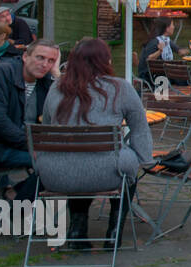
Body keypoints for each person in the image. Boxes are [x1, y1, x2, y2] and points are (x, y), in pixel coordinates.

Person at [38, 38, 151, 249]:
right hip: (106, 172)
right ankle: (114, 231)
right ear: (105, 60)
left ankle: (77, 230)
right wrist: (142, 159)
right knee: (127, 167)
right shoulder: (120, 88)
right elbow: (140, 128)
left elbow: (46, 125)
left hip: (55, 174)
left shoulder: (56, 88)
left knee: (79, 160)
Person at [0, 40, 59, 194]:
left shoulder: (45, 81)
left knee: (66, 160)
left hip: (25, 145)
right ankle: (17, 202)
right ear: (25, 57)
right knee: (53, 164)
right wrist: (31, 145)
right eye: (40, 58)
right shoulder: (3, 72)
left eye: (51, 61)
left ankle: (15, 194)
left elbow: (62, 112)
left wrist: (56, 74)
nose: (45, 65)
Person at [137, 17, 176, 87]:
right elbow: (149, 59)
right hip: (150, 77)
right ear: (167, 28)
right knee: (181, 78)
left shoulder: (165, 40)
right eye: (172, 25)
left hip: (158, 75)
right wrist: (160, 51)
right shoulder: (155, 42)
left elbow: (179, 50)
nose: (174, 27)